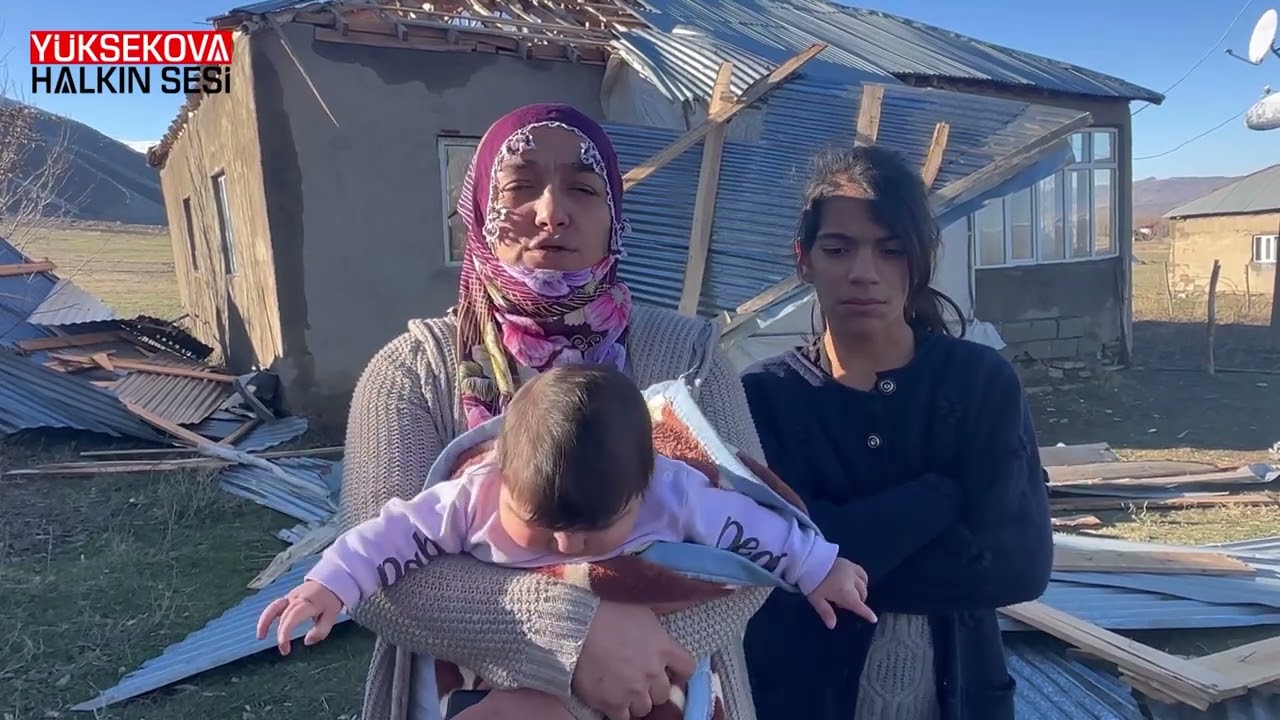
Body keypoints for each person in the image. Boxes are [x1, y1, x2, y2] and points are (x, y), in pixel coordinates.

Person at [338, 103, 773, 720]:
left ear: (614, 215)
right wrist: (574, 638)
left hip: (668, 693)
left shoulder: (689, 357)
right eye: (519, 186)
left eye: (583, 188)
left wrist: (642, 656)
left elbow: (758, 546)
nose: (551, 212)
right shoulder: (412, 372)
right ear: (478, 212)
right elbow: (375, 574)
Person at [257, 365, 876, 693]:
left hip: (647, 674)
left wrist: (818, 566)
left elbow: (751, 526)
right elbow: (393, 534)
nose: (566, 545)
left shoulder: (673, 490)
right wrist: (330, 583)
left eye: (594, 528)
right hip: (505, 666)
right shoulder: (476, 495)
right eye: (539, 523)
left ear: (643, 487)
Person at [739, 145, 1054, 720]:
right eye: (838, 249)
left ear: (919, 258)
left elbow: (1018, 564)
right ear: (804, 259)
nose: (864, 272)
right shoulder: (763, 398)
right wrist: (936, 500)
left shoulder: (978, 384)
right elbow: (759, 572)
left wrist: (823, 559)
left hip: (961, 698)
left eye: (891, 250)